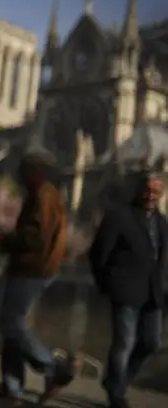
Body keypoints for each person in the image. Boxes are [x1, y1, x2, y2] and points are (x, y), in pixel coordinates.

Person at [0, 150, 78, 407]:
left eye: (22, 170)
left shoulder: (43, 196)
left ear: (33, 171)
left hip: (33, 268)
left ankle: (53, 366)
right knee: (12, 327)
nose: (18, 176)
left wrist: (4, 239)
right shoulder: (45, 194)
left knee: (9, 323)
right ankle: (12, 388)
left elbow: (34, 237)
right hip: (31, 267)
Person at [89, 172, 166, 408]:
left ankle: (117, 381)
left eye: (156, 191)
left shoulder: (162, 222)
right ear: (138, 190)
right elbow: (98, 254)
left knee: (151, 343)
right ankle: (117, 396)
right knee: (124, 342)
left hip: (154, 294)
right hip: (125, 290)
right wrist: (106, 283)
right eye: (147, 190)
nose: (150, 195)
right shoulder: (119, 216)